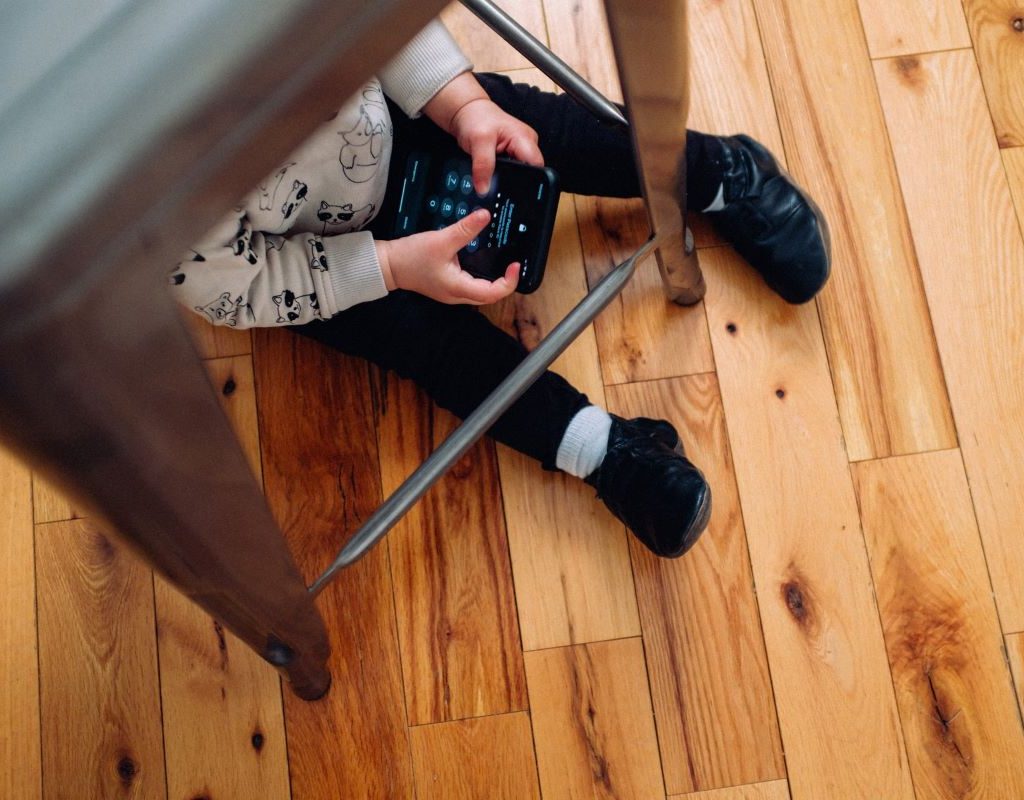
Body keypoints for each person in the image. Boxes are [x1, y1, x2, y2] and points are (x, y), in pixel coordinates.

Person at [171, 21, 830, 558]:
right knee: (434, 349)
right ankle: (604, 451)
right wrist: (393, 266)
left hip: (407, 113)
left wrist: (464, 103)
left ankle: (720, 172)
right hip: (324, 256)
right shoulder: (131, 216)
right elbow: (242, 287)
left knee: (550, 139)